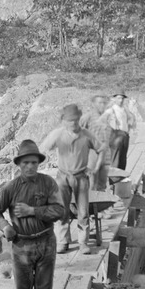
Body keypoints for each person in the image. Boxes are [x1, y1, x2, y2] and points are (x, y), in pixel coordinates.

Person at [0, 139, 65, 289]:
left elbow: (59, 211)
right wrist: (5, 226)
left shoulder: (48, 183)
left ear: (38, 163)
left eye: (33, 162)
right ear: (19, 164)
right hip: (21, 246)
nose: (30, 166)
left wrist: (33, 210)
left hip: (46, 243)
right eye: (25, 163)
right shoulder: (10, 188)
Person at [39, 104, 104, 255]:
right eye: (69, 121)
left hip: (81, 177)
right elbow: (42, 150)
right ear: (63, 120)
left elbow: (101, 150)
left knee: (83, 212)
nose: (73, 124)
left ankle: (83, 242)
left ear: (79, 119)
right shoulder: (58, 134)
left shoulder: (87, 135)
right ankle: (63, 241)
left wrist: (93, 168)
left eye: (75, 120)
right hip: (62, 177)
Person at [80, 95, 114, 192]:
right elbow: (78, 132)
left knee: (102, 183)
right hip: (92, 153)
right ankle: (89, 203)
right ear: (93, 104)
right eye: (99, 103)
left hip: (106, 154)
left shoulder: (108, 117)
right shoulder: (87, 117)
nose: (102, 105)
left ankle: (100, 205)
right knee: (91, 181)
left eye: (104, 103)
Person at [105, 92, 136, 171]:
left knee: (123, 157)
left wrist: (130, 123)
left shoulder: (125, 109)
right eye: (119, 98)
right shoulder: (111, 110)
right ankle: (114, 177)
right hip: (116, 135)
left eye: (122, 98)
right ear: (114, 99)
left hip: (125, 135)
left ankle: (122, 176)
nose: (121, 100)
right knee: (115, 157)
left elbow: (131, 118)